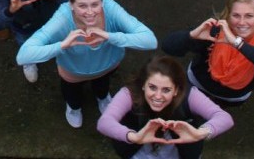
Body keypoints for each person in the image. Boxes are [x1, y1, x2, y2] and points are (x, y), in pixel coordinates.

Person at [16, 0, 157, 128]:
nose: (90, 12)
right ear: (71, 4)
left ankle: (102, 98)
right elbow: (23, 56)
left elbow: (150, 40)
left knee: (102, 86)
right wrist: (62, 45)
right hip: (73, 73)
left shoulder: (110, 8)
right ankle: (74, 108)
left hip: (107, 66)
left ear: (102, 2)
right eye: (82, 6)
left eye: (95, 4)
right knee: (72, 95)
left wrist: (109, 36)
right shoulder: (62, 17)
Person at [162, 0, 254, 105]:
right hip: (196, 85)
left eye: (249, 16)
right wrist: (191, 36)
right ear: (227, 16)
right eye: (236, 15)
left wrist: (237, 43)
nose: (242, 22)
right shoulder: (214, 30)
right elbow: (167, 46)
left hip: (232, 97)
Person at [97, 55, 234, 159]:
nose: (158, 96)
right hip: (138, 152)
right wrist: (134, 137)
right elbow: (105, 122)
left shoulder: (190, 95)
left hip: (178, 153)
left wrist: (200, 133)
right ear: (143, 84)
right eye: (152, 87)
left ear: (176, 90)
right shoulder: (129, 93)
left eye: (166, 90)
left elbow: (224, 118)